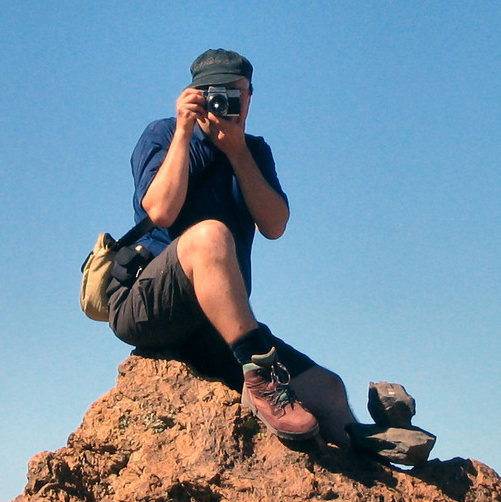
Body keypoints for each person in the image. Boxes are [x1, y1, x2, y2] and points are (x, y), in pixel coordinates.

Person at [106, 49, 357, 443]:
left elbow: (275, 225)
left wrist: (237, 151)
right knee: (212, 234)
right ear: (194, 95)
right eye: (214, 93)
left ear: (250, 97)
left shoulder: (254, 151)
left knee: (329, 389)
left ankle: (368, 461)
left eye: (237, 94)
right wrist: (185, 131)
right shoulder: (163, 134)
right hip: (148, 306)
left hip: (216, 325)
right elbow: (160, 211)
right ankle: (260, 380)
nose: (227, 104)